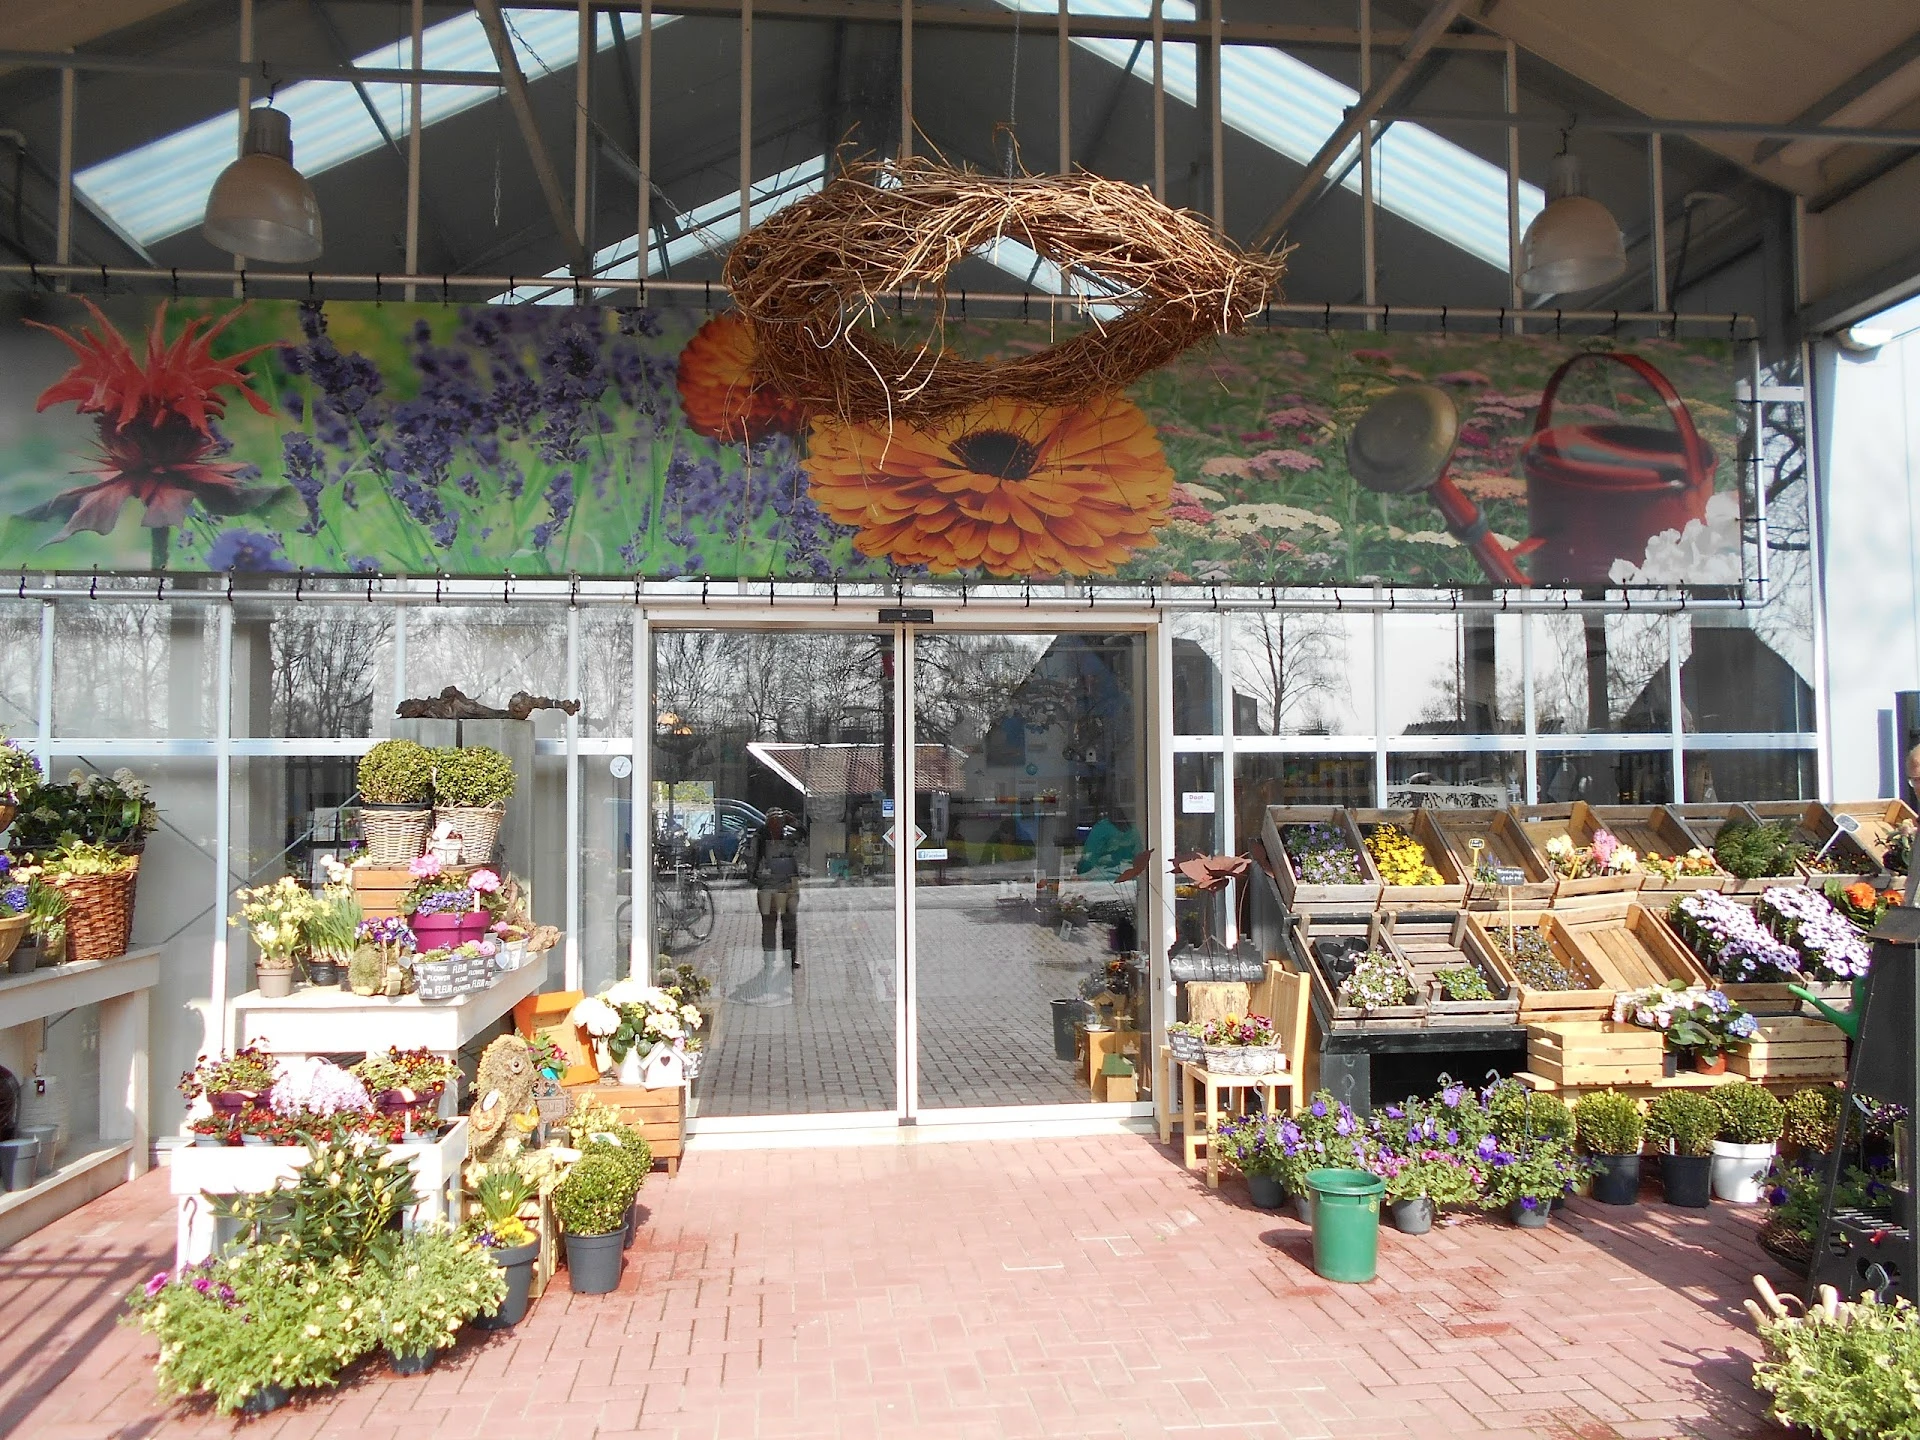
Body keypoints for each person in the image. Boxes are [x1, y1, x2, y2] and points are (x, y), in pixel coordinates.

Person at [750, 807, 804, 968]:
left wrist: (795, 822)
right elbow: (752, 859)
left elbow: (805, 837)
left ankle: (790, 959)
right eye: (774, 821)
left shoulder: (789, 835)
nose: (778, 824)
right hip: (768, 886)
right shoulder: (760, 837)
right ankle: (769, 960)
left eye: (780, 820)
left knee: (790, 924)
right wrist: (757, 879)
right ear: (768, 822)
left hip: (789, 884)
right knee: (769, 925)